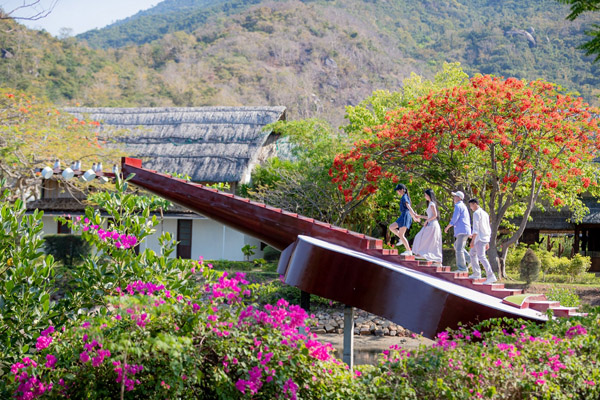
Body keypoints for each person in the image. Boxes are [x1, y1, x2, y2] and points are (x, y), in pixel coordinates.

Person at [467, 198, 497, 284]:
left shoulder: (476, 213)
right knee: (472, 253)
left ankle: (491, 275)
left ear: (475, 204)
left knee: (481, 256)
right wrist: (487, 240)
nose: (471, 207)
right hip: (484, 238)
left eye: (471, 205)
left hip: (479, 238)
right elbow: (488, 228)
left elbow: (476, 228)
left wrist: (472, 240)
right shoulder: (485, 213)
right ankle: (476, 273)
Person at [412, 189, 443, 263]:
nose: (425, 196)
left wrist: (427, 221)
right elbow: (430, 216)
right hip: (431, 224)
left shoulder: (432, 204)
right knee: (424, 238)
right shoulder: (430, 204)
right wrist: (420, 216)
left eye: (425, 195)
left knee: (422, 238)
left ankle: (422, 254)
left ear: (429, 195)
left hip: (432, 225)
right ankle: (422, 254)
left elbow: (435, 215)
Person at [444, 190, 471, 272]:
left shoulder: (458, 206)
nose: (453, 198)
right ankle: (470, 260)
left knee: (459, 249)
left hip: (461, 230)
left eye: (455, 196)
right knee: (457, 246)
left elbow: (454, 219)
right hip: (464, 230)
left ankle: (462, 268)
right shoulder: (463, 206)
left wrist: (447, 227)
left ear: (459, 198)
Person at [389, 183, 420, 256]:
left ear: (403, 190)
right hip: (403, 215)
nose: (397, 192)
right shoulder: (404, 197)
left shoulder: (405, 197)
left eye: (398, 190)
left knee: (401, 234)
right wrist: (413, 217)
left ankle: (408, 251)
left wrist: (414, 215)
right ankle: (402, 239)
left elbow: (408, 207)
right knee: (391, 227)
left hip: (405, 216)